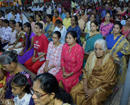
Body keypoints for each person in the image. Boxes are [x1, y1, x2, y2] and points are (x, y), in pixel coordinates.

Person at [70, 39, 117, 105]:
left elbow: (110, 82)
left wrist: (94, 90)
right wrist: (85, 85)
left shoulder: (109, 61)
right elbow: (86, 71)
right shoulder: (92, 55)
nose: (97, 51)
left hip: (101, 87)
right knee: (74, 91)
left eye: (100, 49)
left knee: (93, 102)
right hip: (88, 81)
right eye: (96, 49)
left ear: (105, 50)